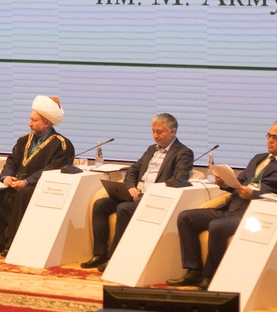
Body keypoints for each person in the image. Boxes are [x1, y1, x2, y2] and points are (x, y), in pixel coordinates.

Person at [168, 121, 277, 289]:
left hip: (253, 217)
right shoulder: (259, 158)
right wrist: (225, 183)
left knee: (217, 226)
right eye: (269, 136)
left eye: (275, 137)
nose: (270, 140)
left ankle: (210, 276)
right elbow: (239, 183)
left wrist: (254, 195)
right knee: (186, 217)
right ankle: (193, 270)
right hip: (230, 208)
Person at [82, 113, 194, 271]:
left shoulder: (183, 153)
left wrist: (152, 192)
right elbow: (133, 170)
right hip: (136, 195)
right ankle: (100, 254)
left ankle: (115, 257)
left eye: (159, 132)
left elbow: (179, 179)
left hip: (154, 199)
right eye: (153, 131)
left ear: (173, 132)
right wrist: (130, 186)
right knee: (100, 205)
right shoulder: (151, 149)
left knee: (124, 208)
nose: (155, 136)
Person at [0, 96, 74, 257]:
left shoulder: (62, 144)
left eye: (34, 120)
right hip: (15, 184)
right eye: (30, 119)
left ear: (46, 123)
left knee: (23, 195)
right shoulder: (23, 140)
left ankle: (12, 242)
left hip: (37, 187)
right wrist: (6, 177)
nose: (29, 123)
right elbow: (11, 161)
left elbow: (52, 169)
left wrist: (26, 182)